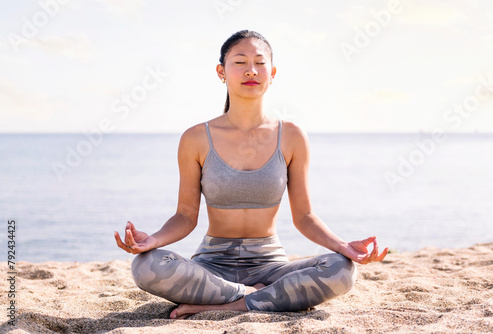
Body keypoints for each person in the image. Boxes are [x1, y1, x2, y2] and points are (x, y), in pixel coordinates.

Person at [114, 30, 388, 319]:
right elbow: (185, 216)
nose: (251, 70)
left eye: (260, 62)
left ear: (273, 73)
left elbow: (305, 216)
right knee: (145, 266)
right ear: (221, 72)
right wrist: (152, 241)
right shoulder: (196, 138)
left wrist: (344, 246)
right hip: (212, 266)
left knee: (342, 269)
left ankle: (230, 303)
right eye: (240, 62)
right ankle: (252, 296)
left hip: (270, 266)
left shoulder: (292, 136)